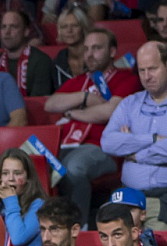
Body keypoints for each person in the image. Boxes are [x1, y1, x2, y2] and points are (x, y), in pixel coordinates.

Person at [45, 28, 141, 226]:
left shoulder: (126, 79)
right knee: (30, 163)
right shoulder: (79, 82)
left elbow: (110, 112)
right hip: (65, 145)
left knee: (72, 168)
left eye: (96, 48)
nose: (89, 54)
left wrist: (72, 112)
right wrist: (85, 97)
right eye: (86, 48)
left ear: (112, 51)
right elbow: (51, 104)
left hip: (103, 148)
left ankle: (78, 228)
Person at [101, 41, 167, 232]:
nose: (147, 76)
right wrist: (153, 139)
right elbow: (108, 142)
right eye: (142, 70)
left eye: (153, 69)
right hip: (127, 198)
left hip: (162, 199)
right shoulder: (130, 104)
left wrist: (134, 153)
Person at [0, 148, 48, 246]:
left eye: (17, 173)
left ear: (28, 178)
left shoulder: (39, 205)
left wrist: (10, 200)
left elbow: (18, 238)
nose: (11, 178)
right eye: (5, 173)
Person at [0, 10, 55, 96]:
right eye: (3, 27)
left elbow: (37, 103)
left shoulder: (41, 62)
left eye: (13, 27)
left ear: (26, 31)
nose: (7, 32)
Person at [52, 6, 92, 88]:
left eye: (75, 25)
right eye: (64, 27)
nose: (69, 31)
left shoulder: (96, 57)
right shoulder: (58, 62)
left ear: (83, 28)